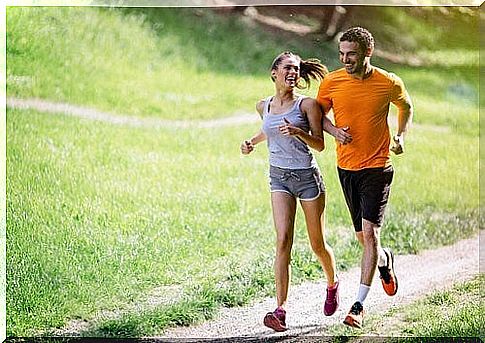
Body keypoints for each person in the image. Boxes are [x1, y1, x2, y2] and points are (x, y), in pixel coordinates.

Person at [316, 27, 413, 329]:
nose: (345, 59)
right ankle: (385, 261)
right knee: (364, 239)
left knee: (369, 234)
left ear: (367, 53)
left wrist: (400, 135)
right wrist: (334, 132)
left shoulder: (388, 82)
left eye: (352, 55)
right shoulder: (332, 82)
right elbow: (317, 115)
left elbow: (406, 106)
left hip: (378, 167)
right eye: (342, 54)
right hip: (346, 168)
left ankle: (358, 306)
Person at [240, 51, 339, 332]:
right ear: (274, 73)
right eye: (288, 68)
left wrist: (299, 132)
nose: (293, 72)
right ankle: (280, 310)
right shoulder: (264, 106)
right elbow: (269, 130)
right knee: (283, 240)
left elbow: (319, 145)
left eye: (296, 69)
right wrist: (252, 142)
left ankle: (332, 283)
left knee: (317, 244)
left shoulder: (307, 105)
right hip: (279, 177)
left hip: (307, 179)